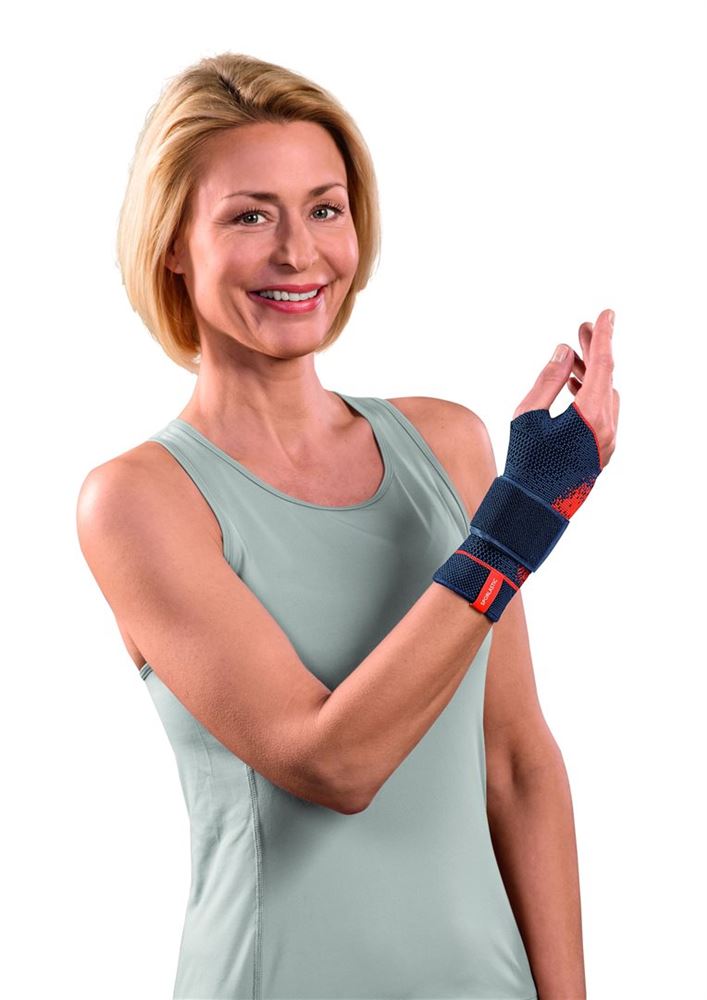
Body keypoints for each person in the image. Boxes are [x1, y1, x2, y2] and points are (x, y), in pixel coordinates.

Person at [76, 51, 619, 1000]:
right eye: (250, 216)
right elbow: (332, 763)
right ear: (172, 244)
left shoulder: (447, 445)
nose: (298, 253)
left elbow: (515, 764)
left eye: (324, 210)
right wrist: (520, 520)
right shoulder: (138, 500)